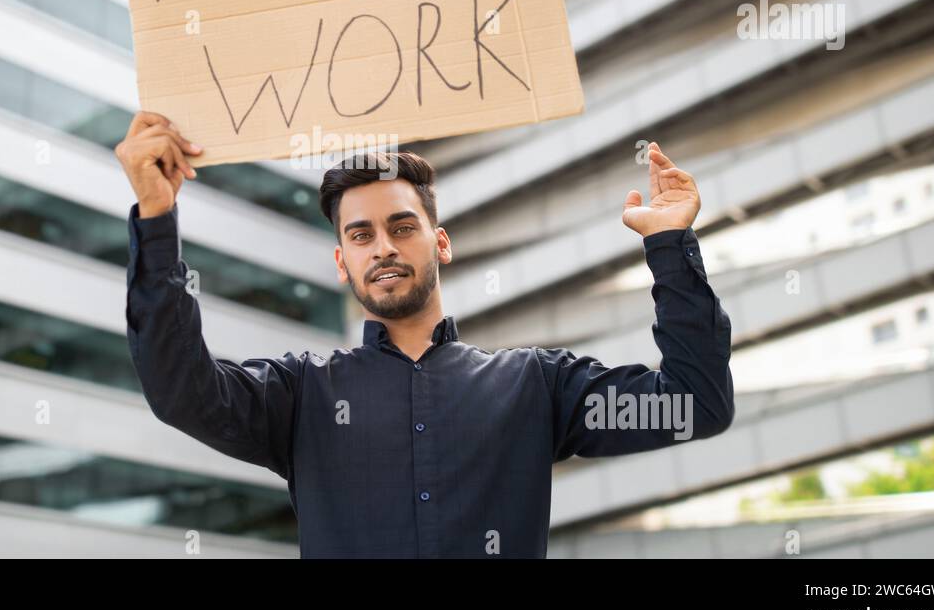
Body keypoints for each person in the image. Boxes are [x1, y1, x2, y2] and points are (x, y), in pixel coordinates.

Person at [116, 112, 734, 558]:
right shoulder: (299, 393)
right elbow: (180, 390)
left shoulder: (536, 385)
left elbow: (695, 405)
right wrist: (156, 215)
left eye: (402, 226)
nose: (383, 246)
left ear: (439, 242)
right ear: (342, 263)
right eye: (360, 235)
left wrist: (668, 244)